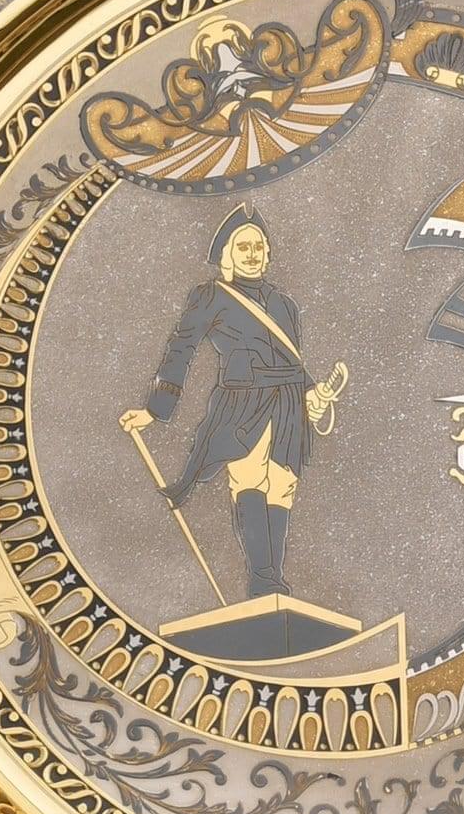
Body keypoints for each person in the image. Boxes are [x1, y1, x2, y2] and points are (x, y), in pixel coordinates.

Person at [121, 206, 337, 599]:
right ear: (227, 254)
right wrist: (155, 409)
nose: (252, 254)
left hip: (288, 402)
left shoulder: (284, 304)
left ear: (267, 253)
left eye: (258, 246)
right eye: (243, 247)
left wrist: (312, 394)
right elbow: (181, 348)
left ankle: (274, 580)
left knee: (282, 486)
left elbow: (292, 362)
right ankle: (262, 579)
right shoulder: (211, 296)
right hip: (242, 399)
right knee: (249, 478)